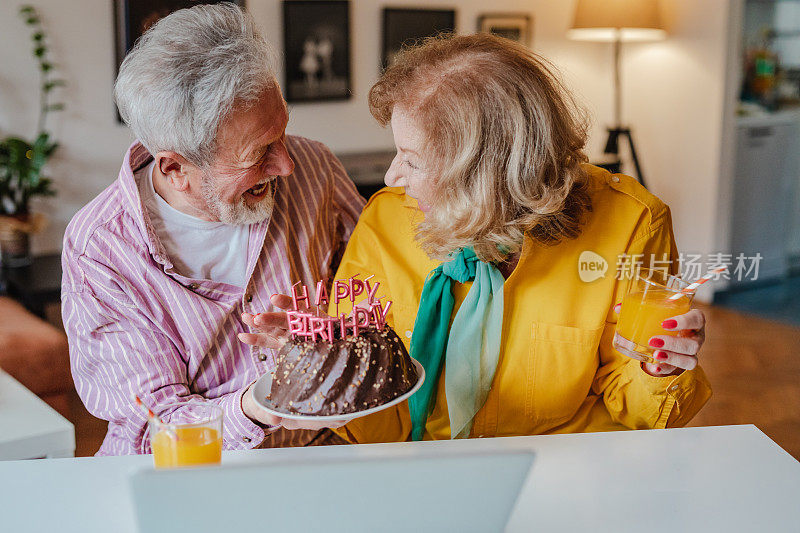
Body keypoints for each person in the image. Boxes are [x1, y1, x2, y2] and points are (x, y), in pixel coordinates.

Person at [243, 33, 712, 443]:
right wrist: (328, 364)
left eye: (413, 159)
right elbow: (377, 426)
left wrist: (659, 369)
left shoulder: (632, 223)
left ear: (486, 175)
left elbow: (640, 412)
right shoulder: (386, 222)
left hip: (568, 468)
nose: (392, 176)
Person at [61, 4, 362, 455]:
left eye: (282, 133)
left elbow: (381, 293)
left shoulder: (316, 168)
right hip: (184, 473)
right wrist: (259, 404)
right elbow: (156, 422)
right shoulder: (100, 250)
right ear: (176, 168)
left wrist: (335, 331)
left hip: (318, 456)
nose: (286, 164)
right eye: (258, 154)